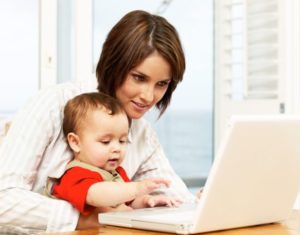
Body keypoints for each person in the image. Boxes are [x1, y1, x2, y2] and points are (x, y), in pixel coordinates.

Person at [0, 10, 194, 233]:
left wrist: (197, 206)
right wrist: (82, 218)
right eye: (139, 78)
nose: (149, 97)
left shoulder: (142, 133)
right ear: (114, 65)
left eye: (162, 84)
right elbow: (3, 197)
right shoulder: (52, 105)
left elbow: (172, 195)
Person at [48, 92, 180, 215]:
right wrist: (137, 188)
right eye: (105, 142)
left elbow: (130, 201)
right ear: (75, 142)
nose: (117, 148)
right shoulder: (75, 175)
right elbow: (96, 195)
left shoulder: (117, 173)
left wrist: (147, 200)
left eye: (122, 141)